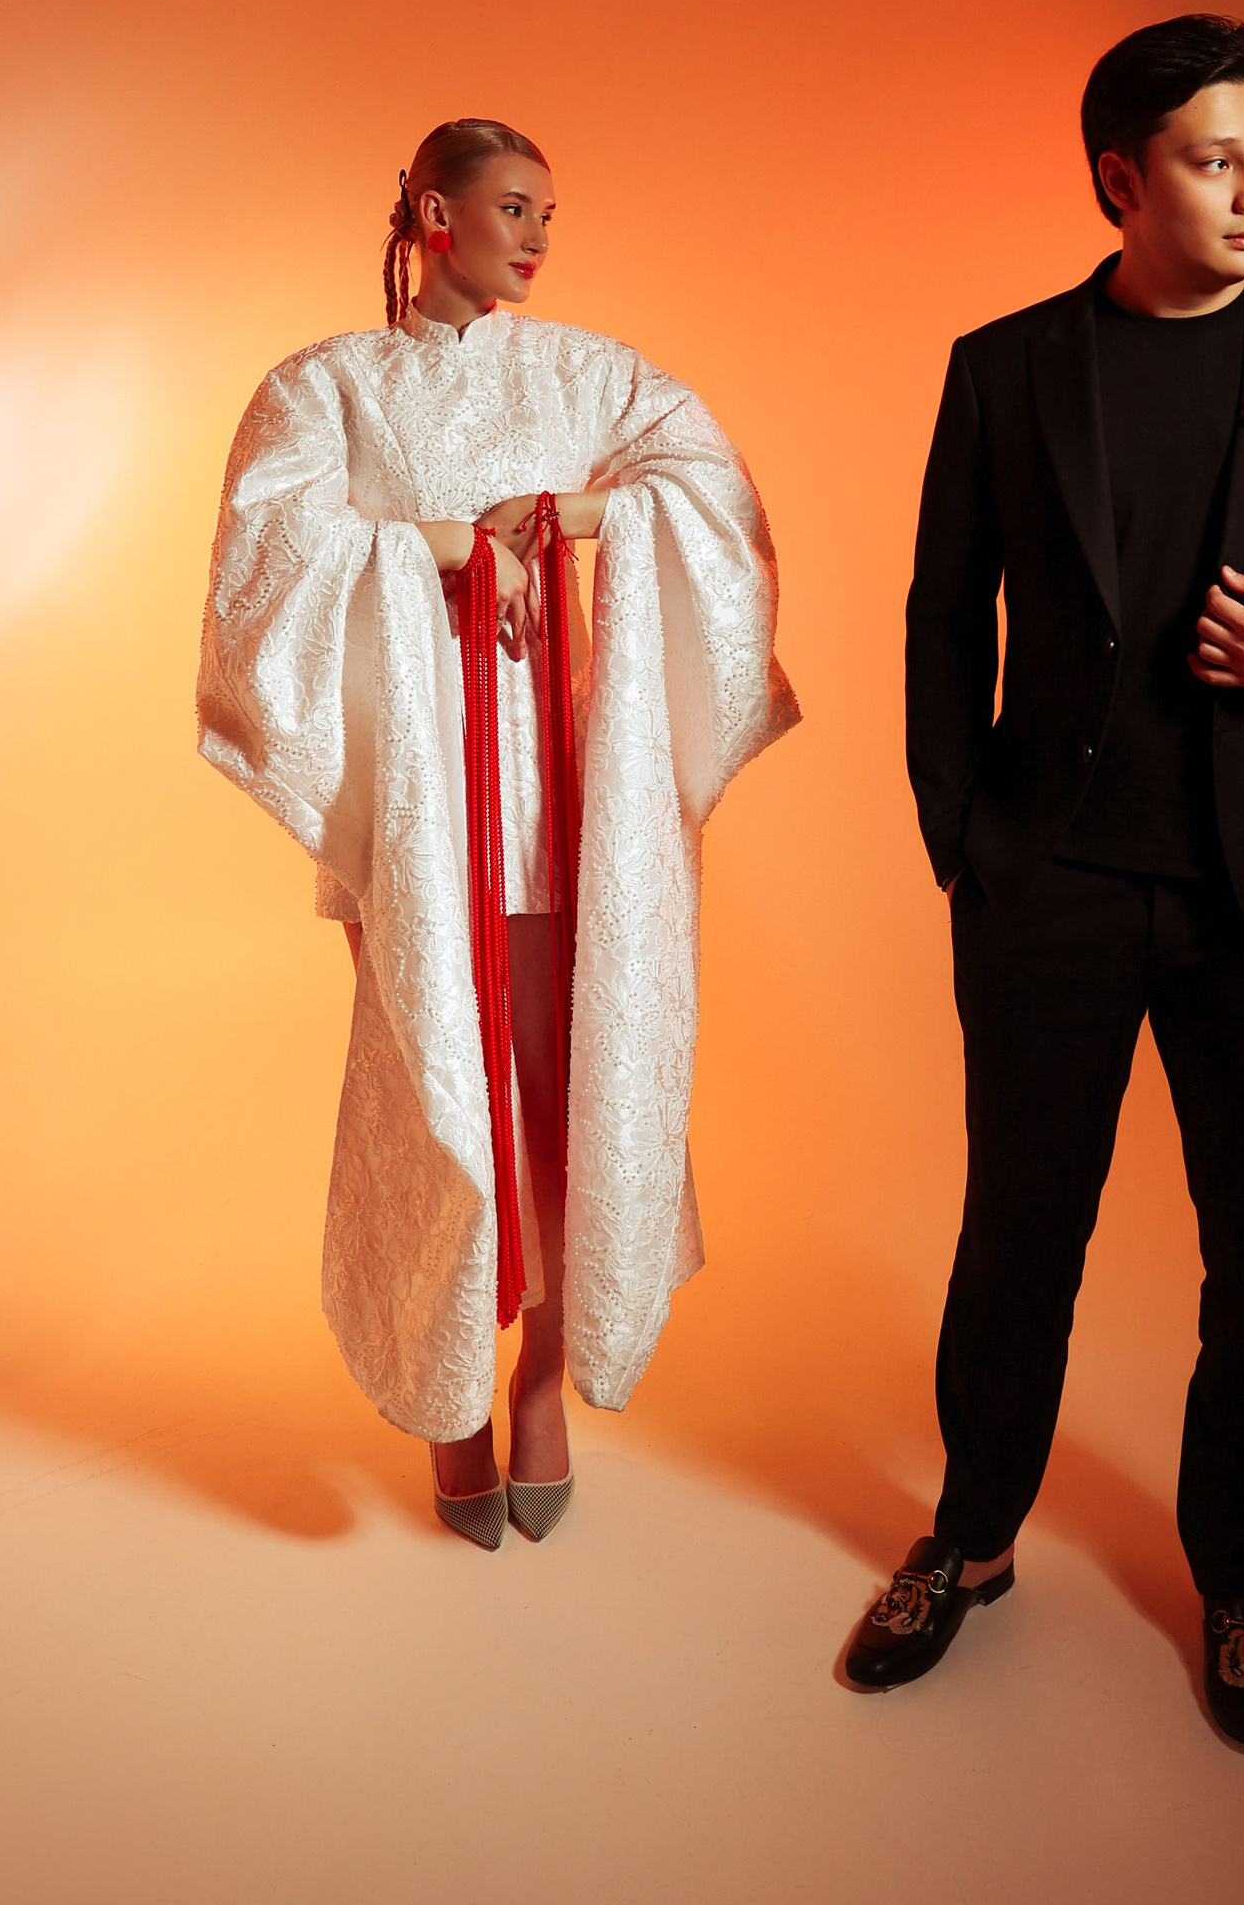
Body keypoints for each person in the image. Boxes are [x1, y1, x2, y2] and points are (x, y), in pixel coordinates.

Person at [845, 17, 1244, 1747]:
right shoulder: (1004, 368)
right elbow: (940, 618)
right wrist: (965, 843)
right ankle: (973, 1539)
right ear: (1121, 180)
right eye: (1216, 161)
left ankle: (1241, 1581)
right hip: (1046, 883)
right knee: (1018, 1234)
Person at [199, 118, 797, 1546]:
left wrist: (571, 513)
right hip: (421, 815)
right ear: (433, 213)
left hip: (564, 805)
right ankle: (446, 1394)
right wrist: (452, 545)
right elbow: (266, 564)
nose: (535, 237)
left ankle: (538, 1381)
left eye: (548, 213)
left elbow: (710, 498)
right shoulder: (330, 387)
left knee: (563, 1097)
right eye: (513, 207)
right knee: (440, 1091)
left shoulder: (586, 375)